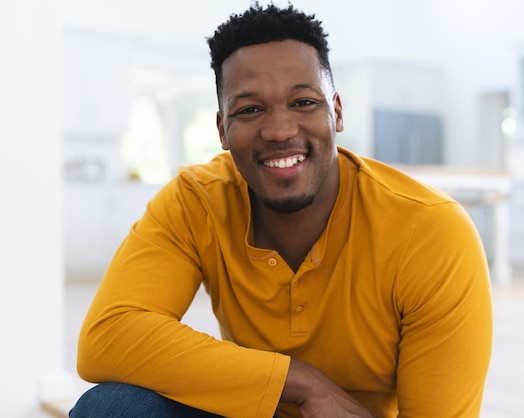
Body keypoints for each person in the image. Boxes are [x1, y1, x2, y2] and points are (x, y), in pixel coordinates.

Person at [70, 3, 493, 417]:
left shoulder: (429, 229)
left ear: (337, 112)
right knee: (112, 408)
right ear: (222, 129)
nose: (279, 131)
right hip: (255, 410)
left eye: (304, 102)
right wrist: (299, 381)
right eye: (250, 109)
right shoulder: (196, 200)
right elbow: (107, 338)